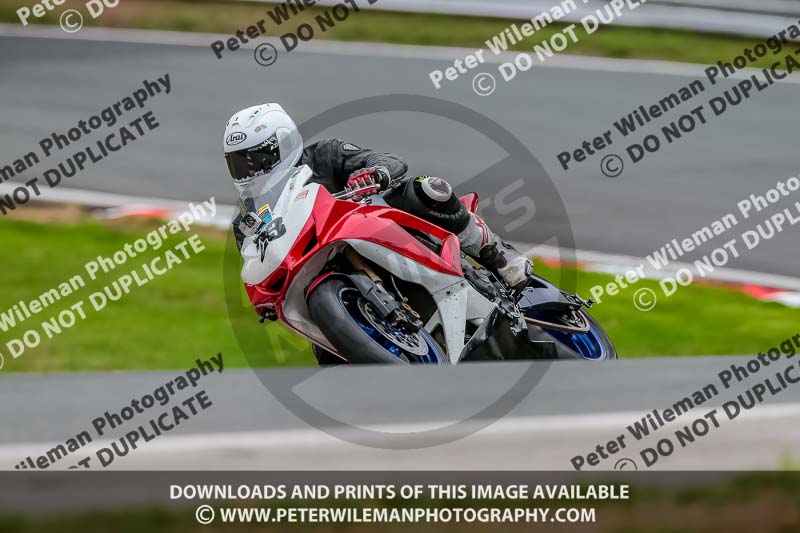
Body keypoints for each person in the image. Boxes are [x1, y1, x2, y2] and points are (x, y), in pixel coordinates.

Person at [224, 103, 533, 289]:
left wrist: (377, 173)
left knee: (427, 187)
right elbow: (257, 266)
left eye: (256, 159)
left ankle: (495, 252)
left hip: (379, 231)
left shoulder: (324, 155)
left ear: (284, 143)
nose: (249, 171)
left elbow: (389, 161)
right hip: (321, 276)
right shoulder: (246, 220)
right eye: (239, 163)